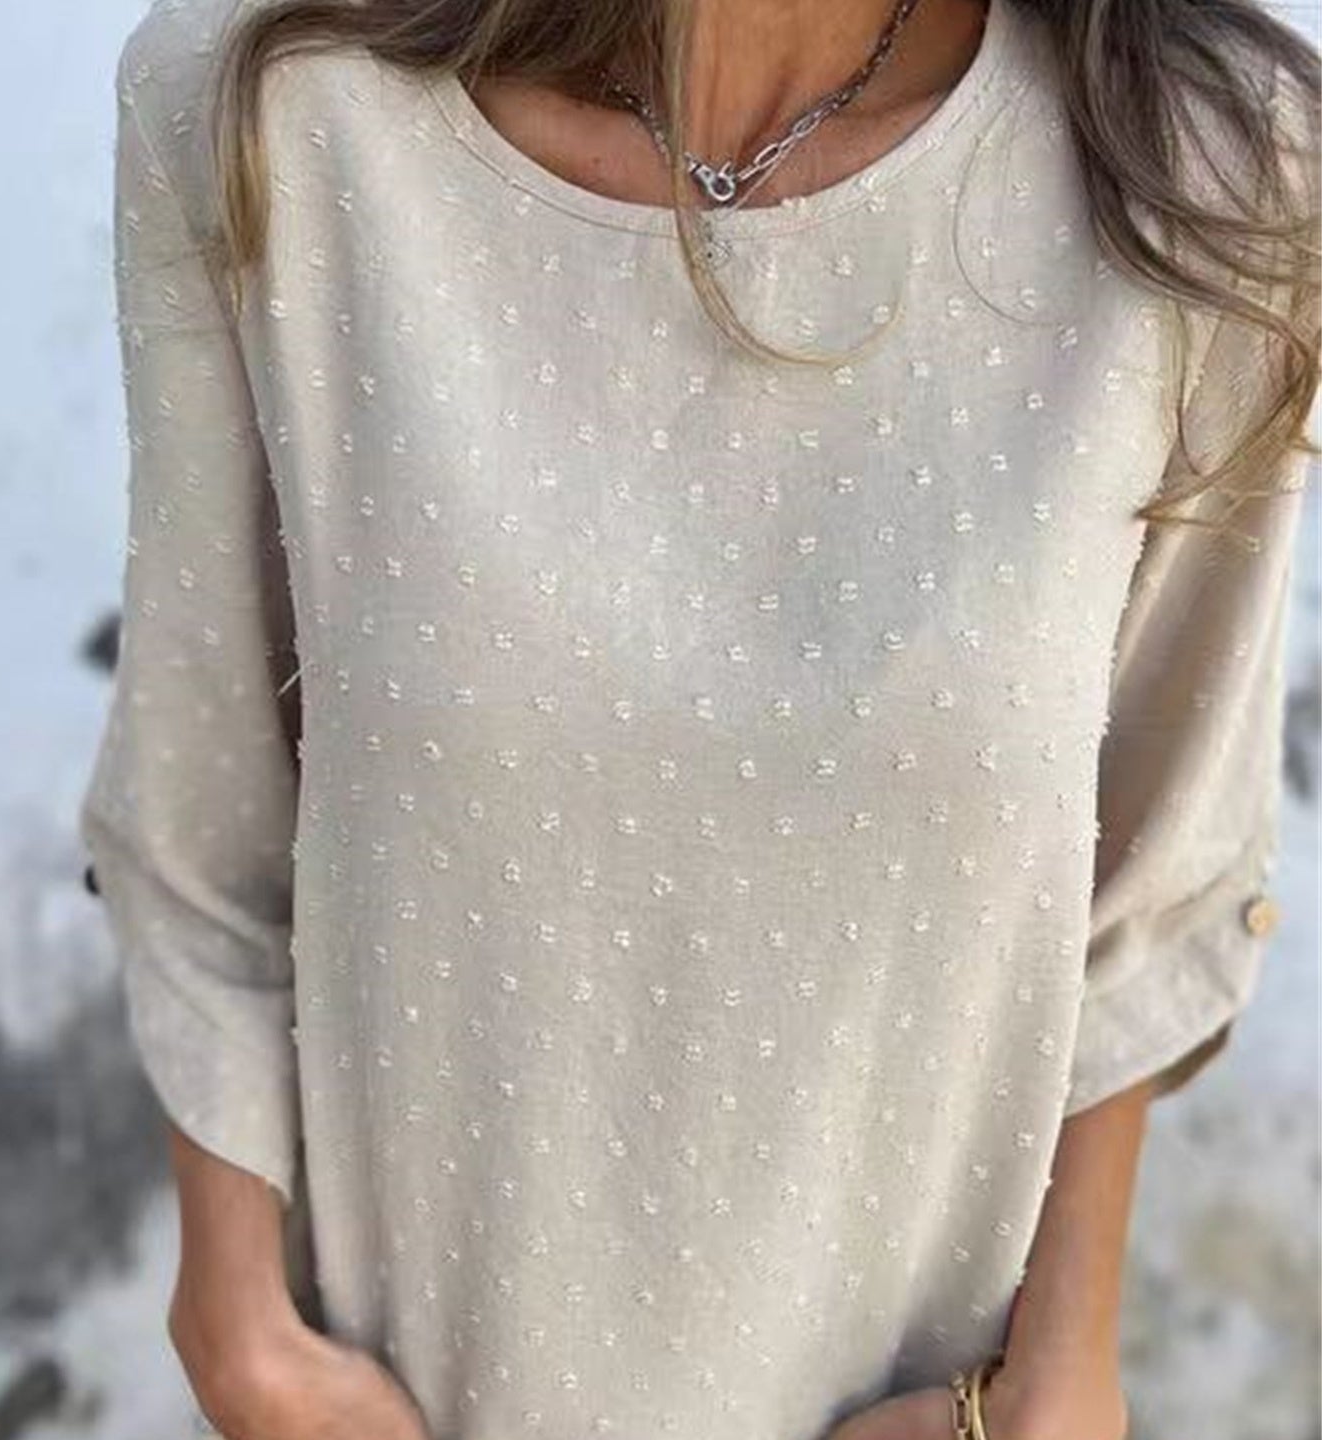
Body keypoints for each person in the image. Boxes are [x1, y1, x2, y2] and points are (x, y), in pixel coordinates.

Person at [77, 0, 1320, 1434]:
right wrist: (240, 1327)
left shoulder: (1216, 171)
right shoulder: (267, 105)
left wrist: (1057, 1383)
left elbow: (1160, 871)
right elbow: (201, 790)